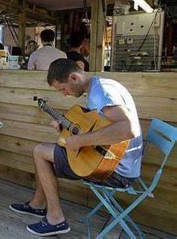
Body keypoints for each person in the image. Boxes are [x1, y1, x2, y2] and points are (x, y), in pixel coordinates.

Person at [9, 58, 143, 236]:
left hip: (115, 169)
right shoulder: (99, 87)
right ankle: (37, 204)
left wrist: (79, 141)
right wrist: (67, 129)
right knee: (45, 153)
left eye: (63, 89)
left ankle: (55, 219)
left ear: (74, 77)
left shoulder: (102, 91)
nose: (65, 94)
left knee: (40, 152)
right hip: (108, 159)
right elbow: (98, 127)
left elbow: (128, 129)